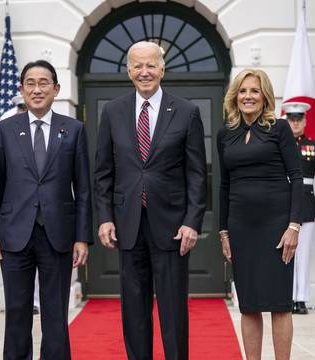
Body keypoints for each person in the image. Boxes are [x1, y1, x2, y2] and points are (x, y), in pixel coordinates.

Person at [94, 41, 207, 360]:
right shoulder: (112, 111)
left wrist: (192, 222)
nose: (145, 72)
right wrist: (104, 217)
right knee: (133, 309)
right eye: (137, 66)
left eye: (151, 65)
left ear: (163, 69)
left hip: (172, 227)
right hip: (127, 225)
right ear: (128, 70)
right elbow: (103, 171)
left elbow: (197, 174)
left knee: (173, 309)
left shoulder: (187, 111)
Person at [0, 59, 92, 360]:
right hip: (13, 234)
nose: (36, 89)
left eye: (43, 82)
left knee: (55, 313)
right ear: (21, 89)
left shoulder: (73, 130)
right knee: (17, 312)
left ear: (56, 89)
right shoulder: (4, 130)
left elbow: (83, 189)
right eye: (30, 83)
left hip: (58, 235)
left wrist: (82, 237)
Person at [217, 69, 302, 360]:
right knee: (249, 304)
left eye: (254, 91)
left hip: (277, 227)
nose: (248, 96)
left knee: (279, 303)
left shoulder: (279, 128)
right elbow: (224, 184)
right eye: (243, 91)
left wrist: (294, 226)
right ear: (235, 96)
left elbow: (297, 178)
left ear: (264, 96)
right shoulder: (225, 134)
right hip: (240, 228)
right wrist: (223, 232)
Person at [0, 96, 41, 315]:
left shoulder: (44, 128)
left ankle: (36, 303)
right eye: (20, 107)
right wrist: (3, 120)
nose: (24, 110)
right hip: (15, 213)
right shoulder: (7, 128)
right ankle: (23, 303)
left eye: (25, 106)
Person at [282, 102, 315, 315]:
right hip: (285, 205)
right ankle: (287, 297)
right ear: (286, 120)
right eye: (291, 119)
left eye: (299, 119)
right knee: (286, 253)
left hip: (307, 206)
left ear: (305, 121)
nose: (295, 123)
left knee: (304, 254)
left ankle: (301, 299)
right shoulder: (280, 144)